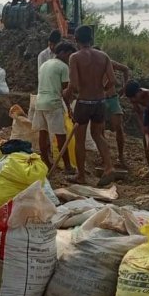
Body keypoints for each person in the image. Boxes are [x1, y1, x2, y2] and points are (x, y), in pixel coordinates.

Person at [64, 25, 116, 187]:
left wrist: (67, 93)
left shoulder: (75, 57)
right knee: (97, 135)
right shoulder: (104, 56)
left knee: (80, 140)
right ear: (91, 39)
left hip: (84, 102)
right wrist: (102, 89)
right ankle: (109, 167)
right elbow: (113, 81)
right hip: (100, 102)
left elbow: (73, 84)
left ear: (76, 39)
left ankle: (81, 175)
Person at [34, 42, 77, 174]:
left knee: (43, 132)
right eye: (69, 54)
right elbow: (65, 91)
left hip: (39, 102)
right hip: (53, 103)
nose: (70, 58)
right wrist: (69, 108)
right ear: (63, 52)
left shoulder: (44, 65)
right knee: (60, 134)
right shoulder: (63, 67)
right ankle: (68, 167)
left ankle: (46, 162)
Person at [94, 46, 131, 168]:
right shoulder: (90, 64)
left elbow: (125, 69)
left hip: (112, 98)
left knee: (118, 127)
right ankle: (104, 157)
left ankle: (121, 157)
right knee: (100, 130)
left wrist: (125, 88)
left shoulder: (107, 61)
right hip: (99, 100)